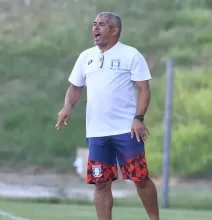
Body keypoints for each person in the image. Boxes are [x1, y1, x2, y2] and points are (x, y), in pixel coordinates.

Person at [55, 12, 159, 220]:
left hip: (126, 131)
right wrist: (67, 106)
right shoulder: (86, 57)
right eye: (94, 24)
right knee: (101, 182)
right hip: (97, 133)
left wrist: (138, 117)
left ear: (114, 30)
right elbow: (75, 87)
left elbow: (144, 89)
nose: (95, 28)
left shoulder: (130, 55)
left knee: (140, 178)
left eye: (101, 25)